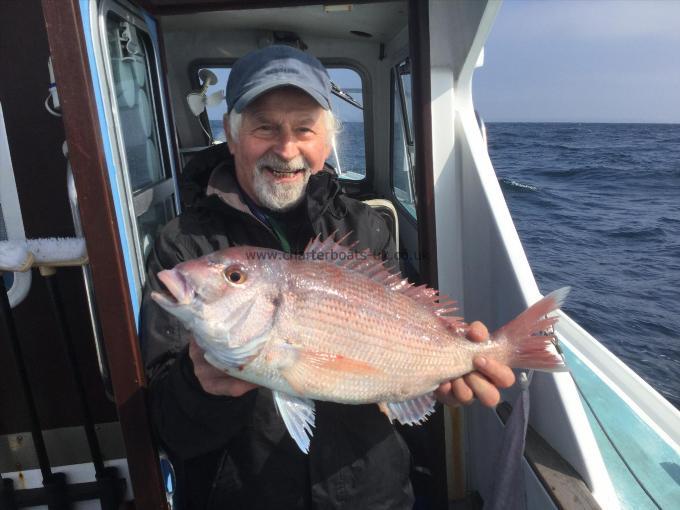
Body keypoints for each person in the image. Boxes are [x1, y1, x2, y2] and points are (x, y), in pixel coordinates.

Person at [140, 45, 515, 509]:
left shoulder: (363, 227)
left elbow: (391, 359)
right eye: (264, 127)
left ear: (326, 140)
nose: (286, 148)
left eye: (304, 129)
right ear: (231, 137)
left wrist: (436, 376)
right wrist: (197, 386)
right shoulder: (183, 246)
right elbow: (164, 427)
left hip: (371, 496)